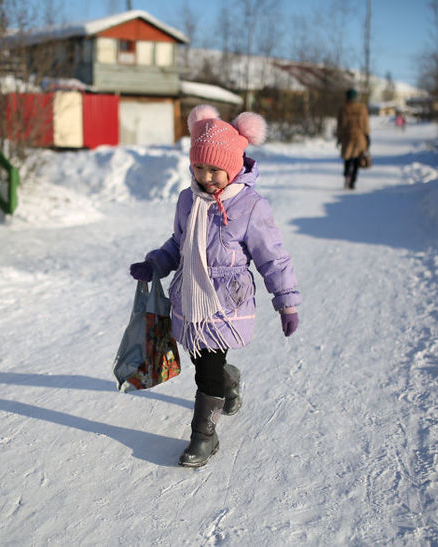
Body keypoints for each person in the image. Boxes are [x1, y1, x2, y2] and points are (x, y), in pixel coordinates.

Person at [129, 104, 301, 468]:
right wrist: (154, 263)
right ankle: (228, 378)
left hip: (226, 302)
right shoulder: (187, 200)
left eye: (215, 169)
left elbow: (273, 258)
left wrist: (286, 302)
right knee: (200, 359)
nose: (206, 176)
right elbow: (178, 244)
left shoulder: (251, 207)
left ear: (235, 166)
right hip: (189, 297)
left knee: (205, 370)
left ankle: (204, 435)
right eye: (198, 167)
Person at [336, 88, 370, 190]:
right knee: (357, 159)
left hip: (347, 137)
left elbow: (340, 125)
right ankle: (353, 181)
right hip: (360, 137)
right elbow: (365, 123)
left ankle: (347, 175)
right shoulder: (362, 108)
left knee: (347, 158)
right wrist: (367, 136)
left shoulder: (343, 108)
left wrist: (339, 137)